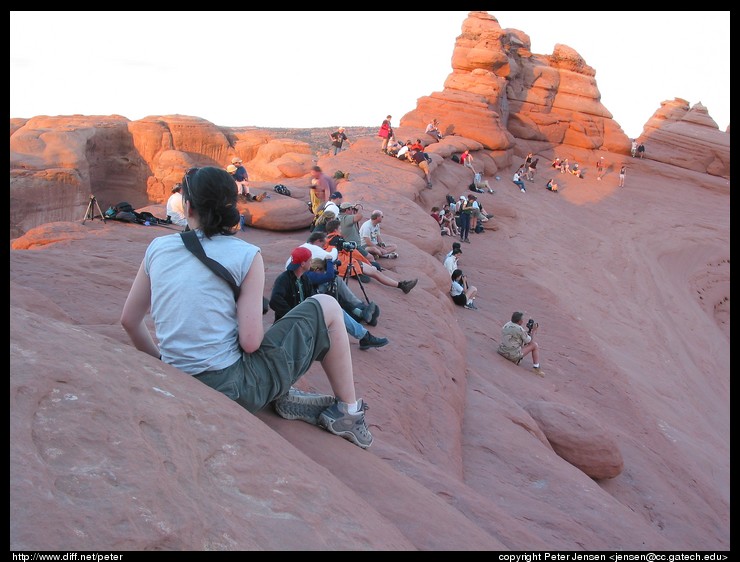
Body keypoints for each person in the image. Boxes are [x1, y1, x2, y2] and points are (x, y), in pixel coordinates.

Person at [120, 166, 374, 449]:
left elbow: (130, 321)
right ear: (232, 205)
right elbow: (251, 343)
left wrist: (165, 365)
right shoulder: (246, 254)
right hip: (233, 389)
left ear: (188, 206)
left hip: (175, 376)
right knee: (326, 304)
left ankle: (280, 391)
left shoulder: (157, 247)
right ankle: (347, 413)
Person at [271, 247, 388, 352]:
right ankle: (362, 325)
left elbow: (311, 297)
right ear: (302, 263)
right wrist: (293, 315)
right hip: (293, 324)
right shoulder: (284, 280)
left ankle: (364, 336)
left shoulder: (304, 278)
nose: (311, 263)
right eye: (309, 260)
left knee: (336, 309)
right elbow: (275, 301)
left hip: (306, 316)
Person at [299, 232, 380, 326]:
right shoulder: (309, 275)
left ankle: (363, 313)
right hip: (314, 300)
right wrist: (329, 260)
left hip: (317, 295)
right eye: (321, 270)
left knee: (338, 294)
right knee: (335, 290)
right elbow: (329, 275)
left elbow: (331, 275)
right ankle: (361, 311)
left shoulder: (310, 267)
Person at [324, 219, 418, 294]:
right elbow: (354, 253)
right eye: (340, 228)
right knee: (375, 271)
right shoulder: (338, 239)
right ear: (336, 229)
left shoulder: (327, 239)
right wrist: (368, 263)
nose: (341, 230)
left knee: (373, 269)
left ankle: (361, 274)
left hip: (339, 265)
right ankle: (402, 286)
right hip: (346, 264)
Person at [496, 311, 545, 377]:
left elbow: (517, 336)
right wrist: (533, 331)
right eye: (522, 320)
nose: (523, 321)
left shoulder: (507, 324)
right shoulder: (520, 329)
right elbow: (530, 342)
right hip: (511, 355)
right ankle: (536, 367)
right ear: (519, 321)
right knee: (535, 345)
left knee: (519, 341)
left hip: (501, 350)